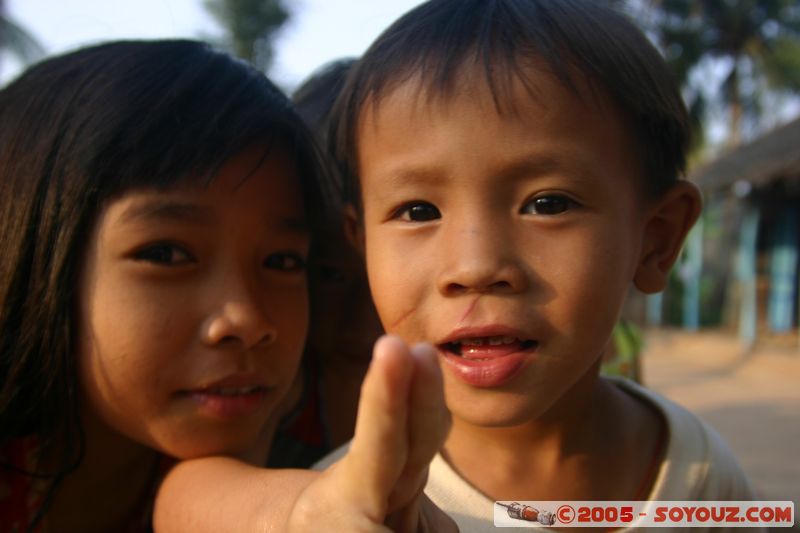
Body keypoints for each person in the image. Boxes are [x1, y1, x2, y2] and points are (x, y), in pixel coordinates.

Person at [320, 0, 759, 529]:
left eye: (547, 204)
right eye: (418, 212)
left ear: (656, 240)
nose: (475, 267)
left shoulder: (704, 480)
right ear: (362, 244)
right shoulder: (345, 509)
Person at [0, 40, 452, 532]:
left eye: (282, 261)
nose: (248, 320)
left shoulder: (247, 421)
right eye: (166, 254)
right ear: (34, 249)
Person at [269, 58, 386, 468]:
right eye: (329, 275)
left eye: (382, 277)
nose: (363, 322)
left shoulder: (473, 389)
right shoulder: (275, 393)